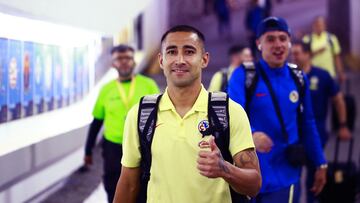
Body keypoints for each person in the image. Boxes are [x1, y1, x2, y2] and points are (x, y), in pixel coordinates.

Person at [113, 25, 261, 203]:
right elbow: (129, 183)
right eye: (172, 52)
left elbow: (254, 186)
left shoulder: (230, 112)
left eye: (189, 52)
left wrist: (224, 169)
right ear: (161, 61)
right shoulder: (140, 114)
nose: (180, 60)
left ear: (204, 60)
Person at [228, 17, 327, 203]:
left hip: (286, 174)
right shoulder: (244, 76)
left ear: (289, 42)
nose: (278, 44)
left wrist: (320, 162)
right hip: (248, 172)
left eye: (283, 38)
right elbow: (230, 115)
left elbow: (308, 122)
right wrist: (252, 134)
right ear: (259, 43)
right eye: (270, 39)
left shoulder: (298, 77)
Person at [83, 44, 160, 203]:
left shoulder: (148, 85)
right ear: (113, 64)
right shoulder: (106, 89)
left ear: (134, 62)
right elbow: (97, 121)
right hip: (113, 147)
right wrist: (88, 150)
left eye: (128, 58)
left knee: (143, 186)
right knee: (113, 185)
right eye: (119, 59)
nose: (124, 62)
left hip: (143, 146)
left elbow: (160, 117)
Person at [290, 41, 351, 203]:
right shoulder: (288, 76)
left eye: (297, 53)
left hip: (316, 133)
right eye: (292, 53)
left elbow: (338, 100)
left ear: (308, 54)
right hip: (292, 136)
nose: (293, 56)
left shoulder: (322, 75)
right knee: (292, 178)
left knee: (314, 175)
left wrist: (343, 125)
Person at [303, 16, 346, 83]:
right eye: (317, 25)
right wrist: (317, 52)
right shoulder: (307, 39)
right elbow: (303, 58)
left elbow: (336, 57)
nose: (319, 27)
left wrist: (340, 72)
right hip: (312, 75)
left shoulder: (331, 38)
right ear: (313, 26)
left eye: (321, 25)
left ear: (325, 26)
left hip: (329, 74)